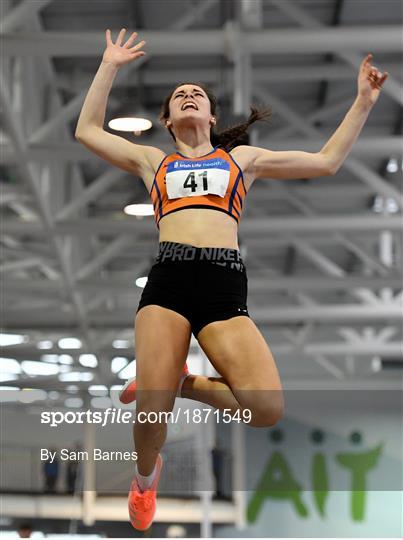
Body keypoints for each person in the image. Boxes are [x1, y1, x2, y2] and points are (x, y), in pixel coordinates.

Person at [75, 28, 388, 531]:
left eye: (197, 92)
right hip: (170, 280)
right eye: (178, 95)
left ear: (212, 116)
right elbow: (87, 131)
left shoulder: (240, 161)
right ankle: (144, 480)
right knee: (152, 410)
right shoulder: (153, 160)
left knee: (264, 409)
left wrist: (363, 102)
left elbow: (327, 162)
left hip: (224, 285)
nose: (189, 95)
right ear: (166, 119)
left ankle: (182, 383)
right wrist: (109, 65)